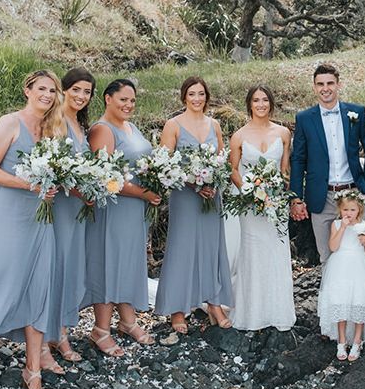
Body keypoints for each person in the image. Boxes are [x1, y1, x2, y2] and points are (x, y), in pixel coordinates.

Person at [0, 70, 63, 389]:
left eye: (52, 91)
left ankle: (33, 370)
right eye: (41, 89)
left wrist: (54, 183)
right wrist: (30, 185)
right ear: (27, 90)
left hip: (41, 221)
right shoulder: (10, 123)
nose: (47, 95)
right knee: (3, 284)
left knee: (39, 287)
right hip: (9, 218)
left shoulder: (53, 130)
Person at [83, 79, 161, 355]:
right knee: (109, 261)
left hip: (134, 210)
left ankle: (128, 321)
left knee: (129, 260)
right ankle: (100, 329)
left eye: (132, 101)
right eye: (123, 100)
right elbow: (105, 178)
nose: (129, 105)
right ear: (107, 99)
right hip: (113, 209)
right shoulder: (102, 130)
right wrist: (144, 193)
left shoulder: (131, 126)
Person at [154, 77, 233, 333]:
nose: (197, 99)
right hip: (185, 197)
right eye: (192, 94)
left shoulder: (215, 125)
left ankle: (213, 302)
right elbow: (165, 165)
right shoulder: (173, 125)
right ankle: (178, 309)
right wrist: (194, 184)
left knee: (211, 248)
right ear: (184, 97)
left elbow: (223, 161)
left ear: (206, 97)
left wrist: (213, 182)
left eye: (201, 94)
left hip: (211, 196)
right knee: (182, 248)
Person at [290, 64, 365, 269]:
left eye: (330, 83)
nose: (325, 88)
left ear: (338, 85)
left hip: (353, 192)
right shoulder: (304, 119)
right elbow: (298, 159)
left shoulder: (356, 113)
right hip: (322, 197)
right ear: (314, 87)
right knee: (328, 257)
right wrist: (296, 197)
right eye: (320, 84)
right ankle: (332, 302)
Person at [227, 85, 296, 331]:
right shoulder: (239, 136)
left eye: (265, 99)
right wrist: (250, 191)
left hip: (275, 203)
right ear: (249, 104)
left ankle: (278, 311)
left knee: (276, 252)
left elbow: (285, 170)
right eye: (256, 100)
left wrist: (279, 194)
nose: (261, 104)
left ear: (271, 103)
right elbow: (233, 170)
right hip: (250, 205)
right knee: (253, 253)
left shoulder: (284, 132)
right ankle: (251, 313)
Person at [43, 68, 96, 370]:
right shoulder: (55, 121)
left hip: (78, 209)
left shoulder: (79, 123)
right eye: (75, 89)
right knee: (57, 266)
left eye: (86, 91)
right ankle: (51, 335)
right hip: (60, 207)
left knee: (73, 265)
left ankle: (62, 331)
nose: (80, 96)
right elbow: (50, 165)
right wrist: (76, 189)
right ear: (63, 90)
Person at [317, 191, 365, 361]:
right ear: (340, 211)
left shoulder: (364, 225)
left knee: (359, 301)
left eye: (352, 210)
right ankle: (341, 340)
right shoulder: (336, 225)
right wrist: (342, 227)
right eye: (345, 210)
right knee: (340, 301)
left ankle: (357, 340)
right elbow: (333, 247)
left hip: (359, 265)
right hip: (340, 265)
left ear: (359, 210)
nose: (348, 213)